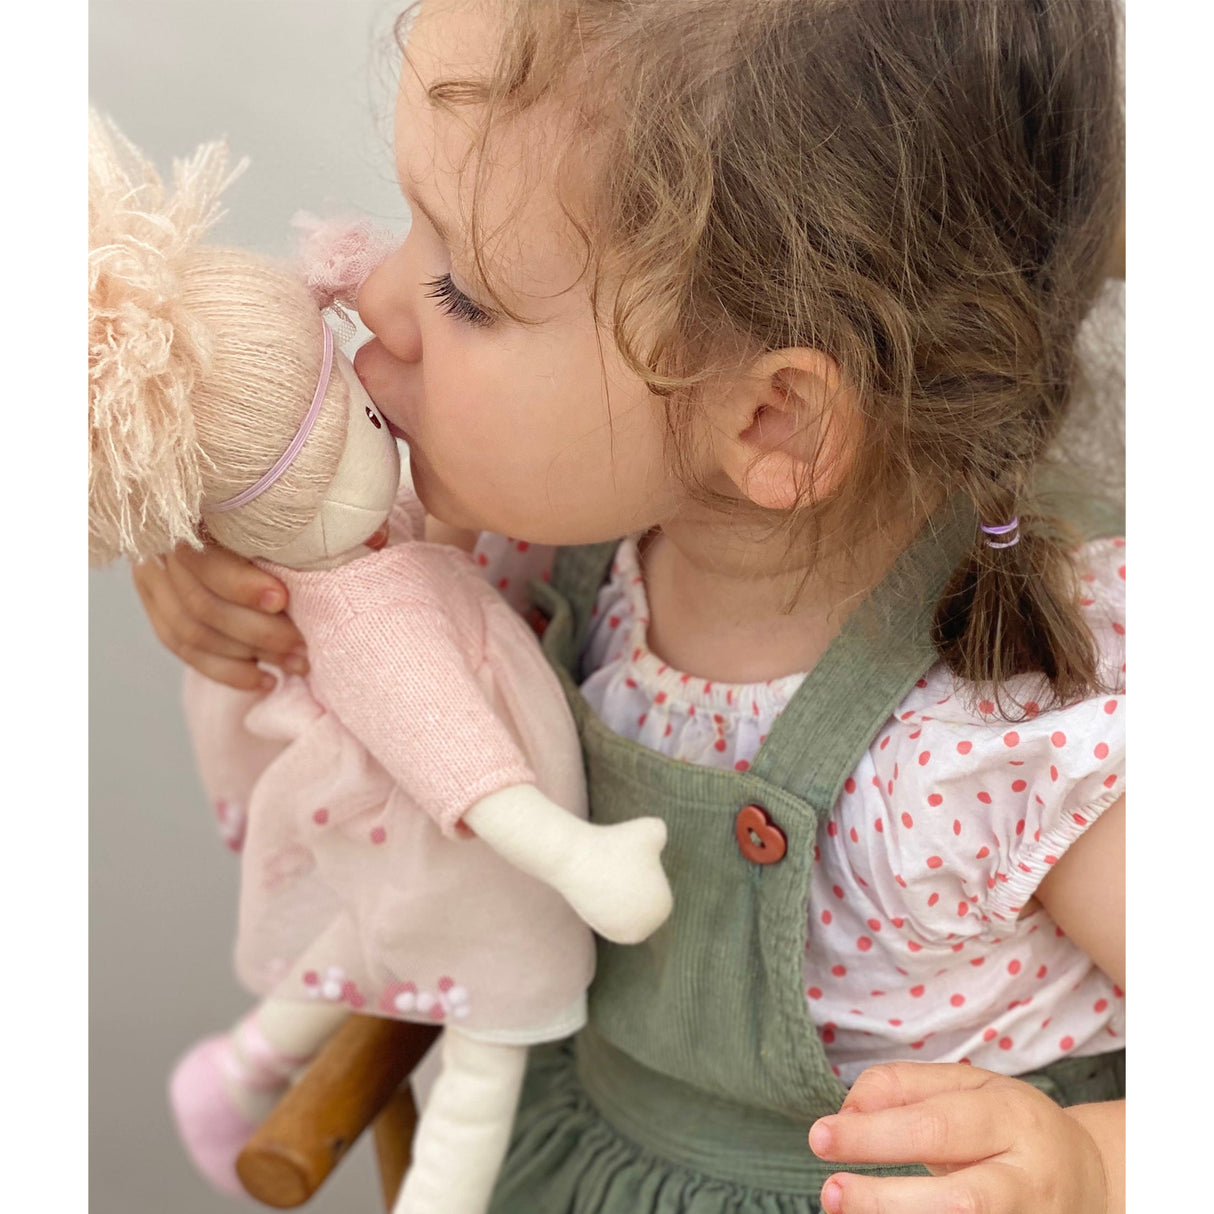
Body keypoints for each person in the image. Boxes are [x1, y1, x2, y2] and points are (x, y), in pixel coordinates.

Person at [130, 1, 1126, 1210]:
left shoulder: (993, 741)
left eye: (465, 293)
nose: (373, 301)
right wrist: (222, 581)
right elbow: (355, 641)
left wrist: (1091, 1167)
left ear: (773, 421)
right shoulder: (536, 550)